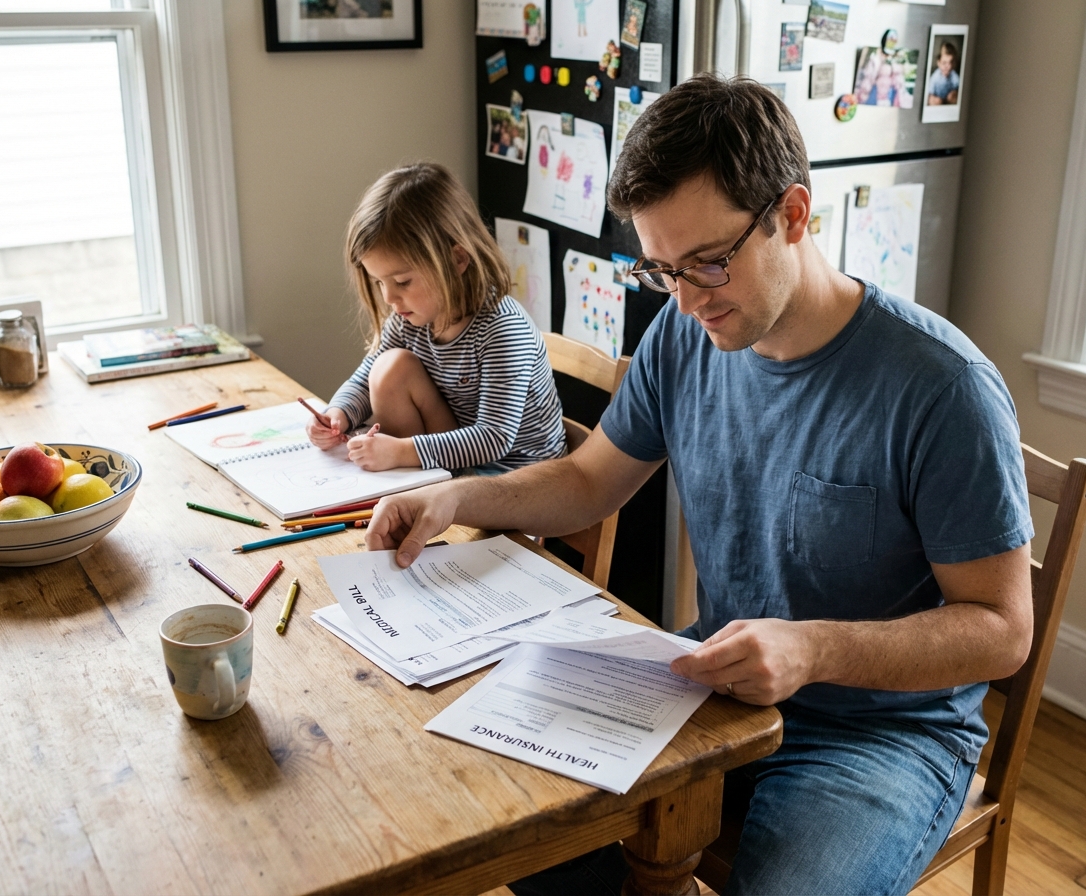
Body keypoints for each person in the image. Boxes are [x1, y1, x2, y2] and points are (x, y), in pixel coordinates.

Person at [366, 76, 1033, 895]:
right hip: (715, 681)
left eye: (708, 264)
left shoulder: (942, 387)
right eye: (661, 269)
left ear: (793, 215)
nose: (683, 298)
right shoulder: (687, 336)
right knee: (518, 825)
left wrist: (813, 648)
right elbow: (585, 481)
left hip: (882, 733)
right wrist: (453, 497)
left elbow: (1002, 629)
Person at [309, 162, 567, 475]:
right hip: (459, 466)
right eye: (379, 282)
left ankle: (412, 483)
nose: (389, 298)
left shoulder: (503, 329)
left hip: (515, 480)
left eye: (402, 281)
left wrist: (402, 452)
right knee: (388, 367)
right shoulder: (410, 318)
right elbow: (365, 379)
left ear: (457, 259)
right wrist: (337, 414)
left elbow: (494, 438)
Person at [928, 40, 961, 105]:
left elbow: (959, 88)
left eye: (950, 63)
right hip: (938, 100)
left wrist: (955, 93)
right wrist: (932, 98)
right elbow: (930, 93)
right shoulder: (935, 77)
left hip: (948, 102)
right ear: (938, 63)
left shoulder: (954, 75)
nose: (948, 66)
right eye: (944, 63)